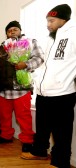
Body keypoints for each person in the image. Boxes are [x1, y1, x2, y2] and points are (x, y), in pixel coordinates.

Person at [21, 4, 75, 168]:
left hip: (62, 93)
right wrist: (33, 76)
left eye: (52, 20)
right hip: (43, 92)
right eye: (47, 21)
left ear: (63, 20)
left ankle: (61, 161)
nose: (48, 24)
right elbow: (42, 63)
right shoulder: (50, 38)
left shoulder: (73, 34)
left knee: (61, 132)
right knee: (42, 127)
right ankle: (39, 151)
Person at [0, 21, 44, 153]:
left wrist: (26, 64)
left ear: (20, 30)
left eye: (15, 29)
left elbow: (40, 58)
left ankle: (27, 140)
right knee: (3, 116)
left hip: (21, 88)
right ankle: (6, 136)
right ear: (6, 34)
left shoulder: (30, 42)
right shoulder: (2, 46)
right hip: (3, 89)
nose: (12, 32)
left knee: (24, 116)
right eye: (9, 31)